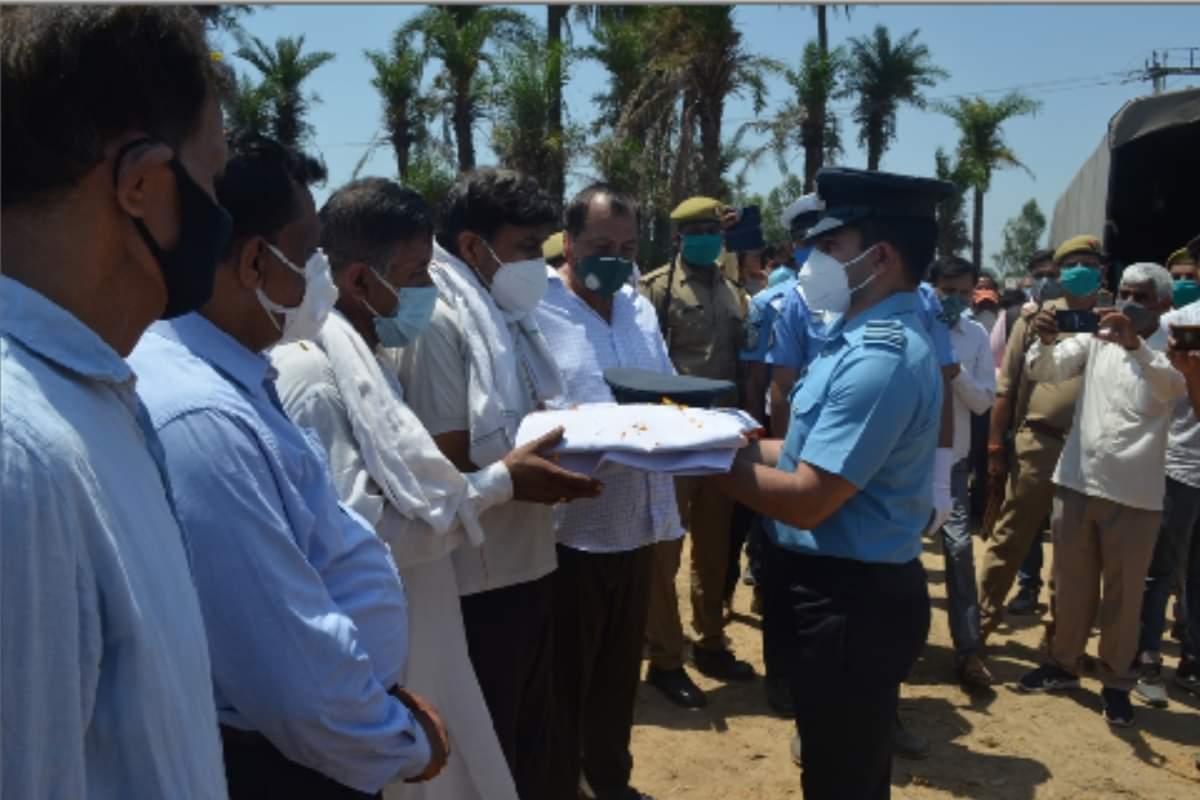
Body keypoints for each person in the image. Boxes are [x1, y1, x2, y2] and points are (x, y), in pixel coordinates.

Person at [128, 135, 449, 798]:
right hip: (287, 762)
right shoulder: (202, 415)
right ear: (254, 260)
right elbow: (290, 677)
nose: (318, 279)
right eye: (307, 257)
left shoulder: (234, 373)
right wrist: (401, 738)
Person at [269, 177, 601, 800]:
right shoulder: (315, 377)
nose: (429, 290)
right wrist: (503, 482)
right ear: (362, 281)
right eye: (419, 274)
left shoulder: (366, 364)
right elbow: (365, 530)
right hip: (390, 650)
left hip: (430, 616)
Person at [1, 7, 229, 797]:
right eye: (214, 177)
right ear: (141, 185)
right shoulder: (19, 458)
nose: (221, 215)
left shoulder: (85, 398)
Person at [711, 166, 951, 799]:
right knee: (835, 764)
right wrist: (722, 442)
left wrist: (701, 465)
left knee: (843, 778)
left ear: (883, 257)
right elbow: (797, 449)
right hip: (831, 590)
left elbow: (812, 498)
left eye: (831, 245)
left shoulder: (880, 356)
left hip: (852, 599)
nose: (812, 259)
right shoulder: (850, 343)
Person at [390, 168, 571, 800]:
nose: (538, 266)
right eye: (526, 248)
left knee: (529, 740)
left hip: (526, 563)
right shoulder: (442, 322)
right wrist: (523, 477)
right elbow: (447, 468)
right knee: (493, 745)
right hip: (479, 581)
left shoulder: (506, 316)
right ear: (473, 247)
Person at [534, 184, 681, 800]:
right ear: (569, 243)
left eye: (626, 246)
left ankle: (611, 783)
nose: (616, 259)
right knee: (567, 680)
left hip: (640, 523)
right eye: (601, 246)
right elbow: (528, 415)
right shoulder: (537, 312)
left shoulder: (638, 306)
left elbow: (669, 389)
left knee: (619, 678)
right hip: (575, 530)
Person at [1016, 262, 1183, 728]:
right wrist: (1046, 338)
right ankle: (1063, 666)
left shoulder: (1172, 347)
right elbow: (1044, 371)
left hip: (1136, 496)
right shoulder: (1094, 338)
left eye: (1141, 296)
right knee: (1068, 587)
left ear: (1163, 305)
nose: (1129, 303)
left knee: (1123, 598)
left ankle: (1115, 683)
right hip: (1077, 482)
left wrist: (1134, 344)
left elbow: (1173, 387)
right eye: (1124, 292)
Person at [639, 196, 754, 709]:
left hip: (721, 436)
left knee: (715, 546)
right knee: (666, 549)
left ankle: (711, 641)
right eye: (699, 230)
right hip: (673, 437)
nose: (710, 237)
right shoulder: (657, 288)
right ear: (681, 236)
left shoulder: (735, 292)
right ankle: (665, 658)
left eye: (716, 229)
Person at [978, 235, 1104, 643]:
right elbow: (1007, 388)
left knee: (1076, 550)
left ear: (1101, 271)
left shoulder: (1114, 320)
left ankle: (1060, 640)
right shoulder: (1034, 319)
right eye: (1072, 265)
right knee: (1011, 536)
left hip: (1094, 451)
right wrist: (996, 447)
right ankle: (979, 625)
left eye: (1089, 263)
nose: (1080, 271)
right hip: (1039, 443)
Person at [737, 192, 824, 716]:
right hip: (789, 446)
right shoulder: (778, 303)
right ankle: (784, 678)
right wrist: (780, 456)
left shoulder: (873, 299)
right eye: (813, 241)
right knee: (782, 566)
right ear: (795, 246)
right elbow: (766, 386)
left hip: (851, 459)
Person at [930, 256, 997, 689]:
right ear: (931, 287)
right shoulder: (913, 327)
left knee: (958, 552)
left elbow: (983, 402)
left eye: (962, 293)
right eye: (946, 291)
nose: (954, 300)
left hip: (951, 463)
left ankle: (969, 651)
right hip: (905, 462)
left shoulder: (974, 337)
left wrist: (955, 373)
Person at [1133, 277, 1200, 708]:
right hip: (1182, 466)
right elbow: (1153, 392)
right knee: (1161, 569)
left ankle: (1192, 658)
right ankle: (1147, 657)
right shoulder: (1176, 323)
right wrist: (1188, 372)